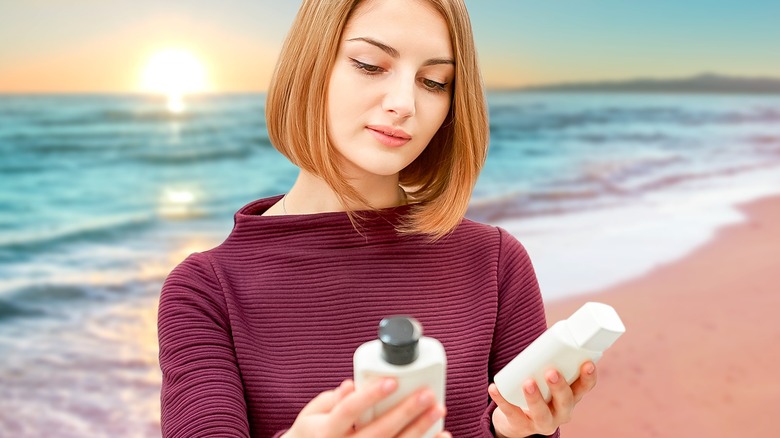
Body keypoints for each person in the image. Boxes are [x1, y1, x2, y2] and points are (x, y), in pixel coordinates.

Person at [157, 0, 598, 437]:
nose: (404, 104)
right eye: (370, 65)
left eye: (434, 82)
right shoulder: (205, 290)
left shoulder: (493, 261)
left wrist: (509, 431)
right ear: (310, 65)